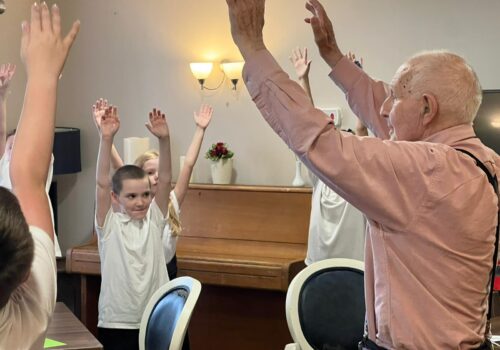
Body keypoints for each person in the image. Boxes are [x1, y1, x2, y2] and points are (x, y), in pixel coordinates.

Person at [225, 0, 499, 348]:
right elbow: (383, 110)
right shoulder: (482, 162)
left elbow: (321, 143)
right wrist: (333, 57)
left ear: (427, 108)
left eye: (397, 98)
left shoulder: (428, 171)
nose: (385, 109)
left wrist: (251, 46)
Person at [0, 3, 79, 349]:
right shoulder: (31, 308)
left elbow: (27, 178)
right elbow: (29, 180)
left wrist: (42, 76)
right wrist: (44, 75)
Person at [92, 99, 213, 279]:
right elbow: (113, 172)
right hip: (142, 269)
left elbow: (187, 165)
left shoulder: (170, 202)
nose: (156, 176)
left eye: (158, 171)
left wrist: (200, 130)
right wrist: (104, 134)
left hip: (166, 268)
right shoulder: (133, 208)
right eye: (149, 172)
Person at [95, 104, 173, 350]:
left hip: (155, 317)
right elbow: (101, 183)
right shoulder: (109, 226)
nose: (140, 202)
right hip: (117, 321)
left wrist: (165, 140)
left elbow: (167, 178)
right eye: (131, 196)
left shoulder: (155, 220)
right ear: (116, 198)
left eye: (145, 194)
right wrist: (106, 138)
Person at [290, 47, 366, 263]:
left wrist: (356, 80)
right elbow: (308, 126)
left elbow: (361, 129)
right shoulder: (321, 176)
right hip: (318, 265)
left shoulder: (360, 179)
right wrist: (303, 79)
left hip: (353, 268)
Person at [0, 63, 63, 257]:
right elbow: (1, 132)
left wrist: (46, 85)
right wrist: (2, 95)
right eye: (12, 145)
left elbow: (39, 132)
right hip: (10, 243)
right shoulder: (3, 164)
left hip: (38, 237)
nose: (16, 150)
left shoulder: (37, 168)